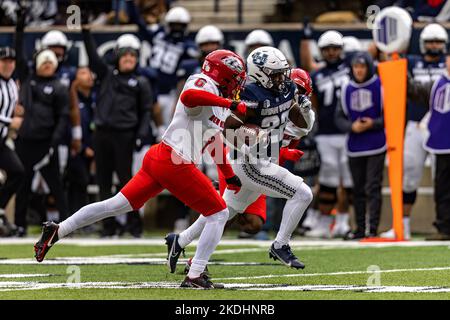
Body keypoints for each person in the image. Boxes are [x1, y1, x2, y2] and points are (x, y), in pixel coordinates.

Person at [34, 49, 247, 289]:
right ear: (225, 74)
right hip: (173, 160)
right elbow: (189, 98)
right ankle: (195, 274)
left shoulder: (219, 101)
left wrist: (229, 175)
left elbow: (215, 140)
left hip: (163, 158)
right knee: (218, 214)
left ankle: (58, 230)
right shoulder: (203, 82)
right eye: (237, 78)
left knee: (116, 205)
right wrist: (227, 102)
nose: (238, 85)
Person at [168, 47, 314, 271]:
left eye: (282, 73)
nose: (281, 79)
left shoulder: (287, 88)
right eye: (275, 74)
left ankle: (180, 241)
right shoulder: (249, 94)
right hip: (249, 163)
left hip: (264, 160)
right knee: (303, 194)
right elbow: (228, 130)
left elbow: (297, 119)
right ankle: (280, 244)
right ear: (260, 74)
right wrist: (252, 135)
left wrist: (303, 112)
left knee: (225, 212)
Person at [81, 23, 153, 238]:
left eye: (133, 56)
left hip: (125, 136)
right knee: (103, 182)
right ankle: (108, 227)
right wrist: (86, 31)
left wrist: (141, 134)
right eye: (125, 55)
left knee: (127, 183)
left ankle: (134, 226)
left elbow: (146, 111)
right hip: (102, 134)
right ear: (118, 57)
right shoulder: (106, 75)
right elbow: (93, 58)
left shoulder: (141, 82)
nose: (129, 59)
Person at [380, 23, 448, 240]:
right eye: (430, 42)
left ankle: (443, 225)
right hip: (414, 124)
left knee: (443, 179)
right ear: (422, 43)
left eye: (438, 42)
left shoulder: (447, 65)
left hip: (440, 126)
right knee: (409, 175)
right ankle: (403, 225)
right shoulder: (411, 62)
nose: (434, 46)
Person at [14, 13, 70, 236]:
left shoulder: (59, 87)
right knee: (22, 185)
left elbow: (63, 117)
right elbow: (19, 56)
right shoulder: (28, 79)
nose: (47, 65)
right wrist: (19, 30)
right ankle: (19, 225)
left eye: (51, 62)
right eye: (44, 62)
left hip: (46, 143)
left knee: (56, 186)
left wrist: (54, 142)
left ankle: (67, 226)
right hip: (25, 142)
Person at [306, 30, 352, 238]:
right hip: (325, 132)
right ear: (322, 51)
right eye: (327, 49)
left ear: (341, 49)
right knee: (328, 179)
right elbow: (313, 106)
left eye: (335, 48)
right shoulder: (317, 75)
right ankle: (324, 223)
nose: (332, 52)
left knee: (348, 179)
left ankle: (343, 221)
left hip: (348, 132)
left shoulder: (352, 68)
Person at [335, 52, 386, 239]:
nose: (359, 70)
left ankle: (372, 229)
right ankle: (359, 228)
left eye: (362, 67)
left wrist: (373, 123)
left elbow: (390, 115)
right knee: (357, 189)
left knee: (373, 187)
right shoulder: (346, 87)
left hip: (376, 143)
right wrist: (351, 126)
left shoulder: (380, 85)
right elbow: (338, 118)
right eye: (356, 66)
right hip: (355, 144)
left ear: (369, 68)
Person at [126, 0, 198, 127]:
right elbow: (140, 25)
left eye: (180, 25)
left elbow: (195, 62)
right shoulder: (159, 35)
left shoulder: (188, 46)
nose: (177, 29)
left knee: (166, 128)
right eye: (174, 25)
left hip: (169, 93)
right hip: (150, 90)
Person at [0, 46, 24, 236]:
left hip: (1, 141)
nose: (8, 65)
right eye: (4, 61)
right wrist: (11, 121)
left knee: (17, 172)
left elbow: (13, 110)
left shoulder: (12, 85)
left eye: (11, 61)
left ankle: (0, 209)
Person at [65, 67, 96, 214]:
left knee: (85, 183)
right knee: (78, 182)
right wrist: (83, 148)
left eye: (89, 72)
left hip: (92, 150)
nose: (88, 76)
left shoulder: (95, 99)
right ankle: (72, 218)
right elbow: (70, 126)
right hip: (76, 149)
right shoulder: (71, 99)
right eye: (83, 73)